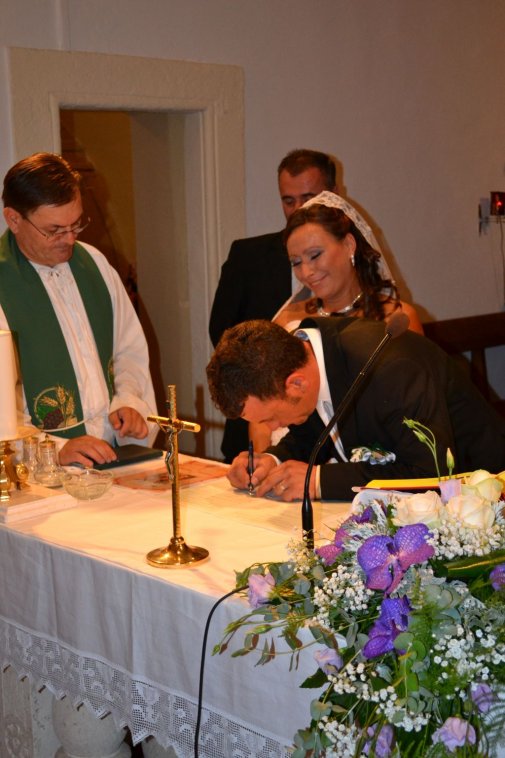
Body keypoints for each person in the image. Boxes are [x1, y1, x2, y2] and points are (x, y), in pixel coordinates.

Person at [206, 318, 505, 501]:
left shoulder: (392, 369)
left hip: (483, 496)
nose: (272, 428)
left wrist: (319, 481)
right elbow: (315, 431)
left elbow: (429, 473)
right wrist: (272, 460)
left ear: (296, 384)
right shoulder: (306, 358)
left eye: (271, 418)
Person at [0, 152, 157, 467]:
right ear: (13, 219)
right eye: (55, 230)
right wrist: (55, 449)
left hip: (114, 455)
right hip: (43, 471)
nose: (69, 239)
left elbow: (128, 350)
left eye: (76, 225)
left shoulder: (94, 264)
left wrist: (129, 401)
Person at [208, 148, 338, 462]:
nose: (297, 210)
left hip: (328, 430)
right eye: (288, 200)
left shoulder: (344, 265)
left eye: (308, 198)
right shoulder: (247, 256)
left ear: (333, 194)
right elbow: (222, 333)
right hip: (257, 426)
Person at [274, 191, 424, 334]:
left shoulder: (396, 319)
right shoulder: (287, 321)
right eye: (296, 262)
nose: (306, 272)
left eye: (315, 255)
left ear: (349, 245)